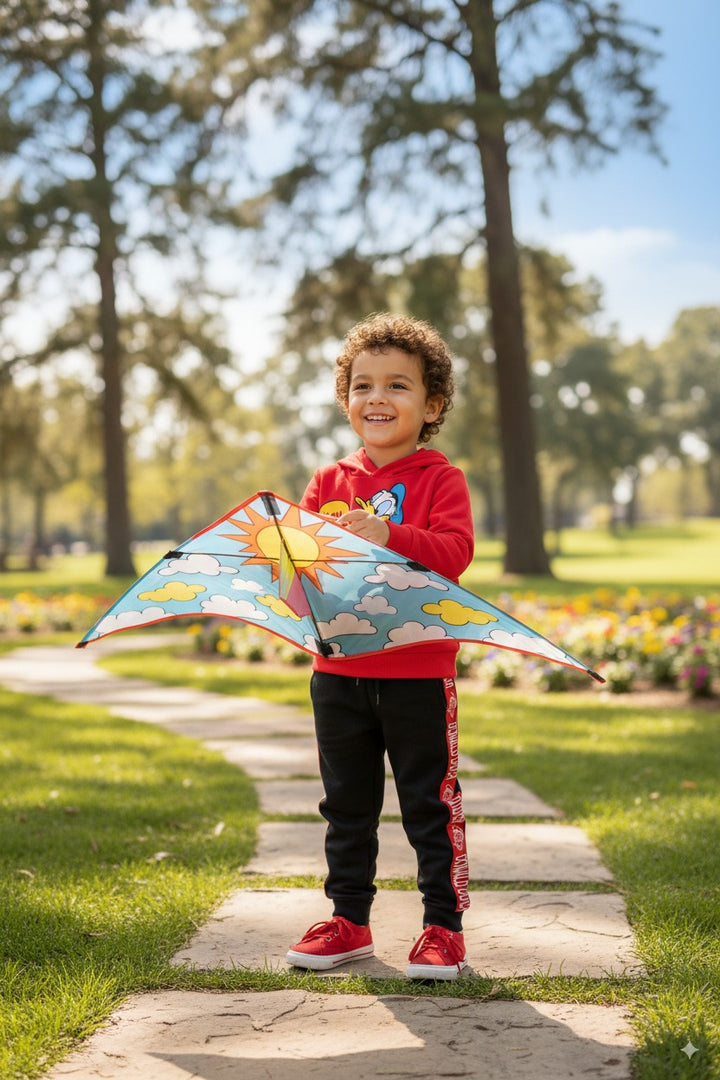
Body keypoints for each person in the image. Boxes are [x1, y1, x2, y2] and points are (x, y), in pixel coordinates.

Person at [285, 311, 475, 980]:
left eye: (398, 385)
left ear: (432, 405)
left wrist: (388, 535)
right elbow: (302, 576)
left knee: (429, 803)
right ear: (345, 400)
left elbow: (454, 553)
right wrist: (290, 573)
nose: (377, 397)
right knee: (345, 805)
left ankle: (442, 928)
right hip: (338, 670)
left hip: (418, 670)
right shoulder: (326, 482)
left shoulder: (440, 479)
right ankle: (348, 921)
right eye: (362, 385)